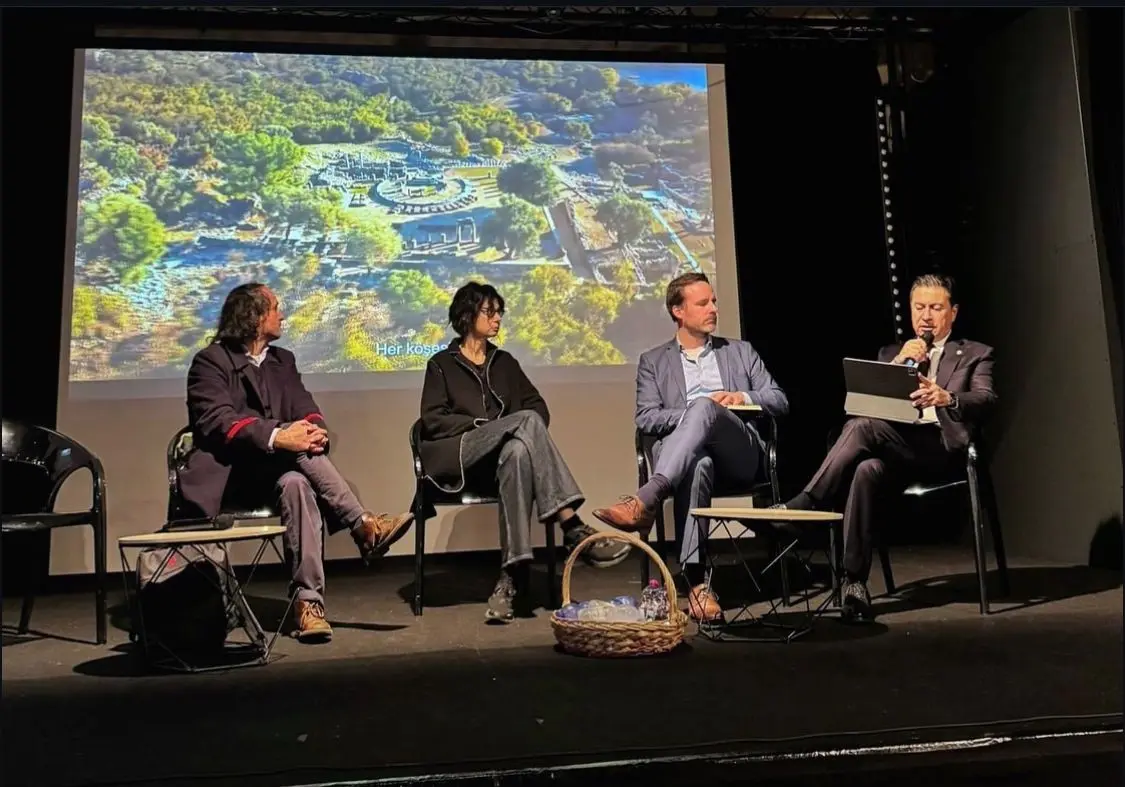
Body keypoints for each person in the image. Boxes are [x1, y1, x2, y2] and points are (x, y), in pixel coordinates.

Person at [181, 283, 414, 642]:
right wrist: (279, 436)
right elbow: (216, 420)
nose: (283, 315)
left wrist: (314, 430)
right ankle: (362, 524)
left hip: (278, 473)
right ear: (254, 317)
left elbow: (304, 406)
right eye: (276, 308)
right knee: (296, 450)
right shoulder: (211, 361)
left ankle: (308, 605)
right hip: (232, 475)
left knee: (297, 483)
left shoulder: (282, 361)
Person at [775, 273, 997, 623]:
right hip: (897, 448)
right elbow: (869, 406)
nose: (926, 316)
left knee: (862, 428)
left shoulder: (975, 353)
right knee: (866, 468)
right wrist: (897, 365)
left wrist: (947, 397)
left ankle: (806, 505)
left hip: (942, 449)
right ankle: (854, 584)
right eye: (919, 307)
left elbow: (986, 399)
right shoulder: (892, 353)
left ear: (952, 313)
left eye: (935, 308)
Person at [418, 281, 630, 623]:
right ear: (468, 315)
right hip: (461, 456)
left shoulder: (504, 362)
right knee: (525, 422)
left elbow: (538, 407)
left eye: (499, 312)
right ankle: (571, 523)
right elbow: (433, 421)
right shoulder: (441, 364)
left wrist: (514, 432)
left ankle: (510, 579)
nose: (498, 318)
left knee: (518, 451)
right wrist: (487, 427)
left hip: (501, 462)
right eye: (490, 312)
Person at [592, 272, 789, 622]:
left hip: (739, 454)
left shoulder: (740, 351)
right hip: (688, 462)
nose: (713, 308)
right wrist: (694, 414)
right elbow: (647, 418)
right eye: (703, 303)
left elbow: (779, 399)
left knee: (704, 409)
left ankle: (647, 498)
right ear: (678, 311)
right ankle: (698, 585)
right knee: (698, 462)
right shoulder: (654, 361)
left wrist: (740, 397)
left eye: (714, 301)